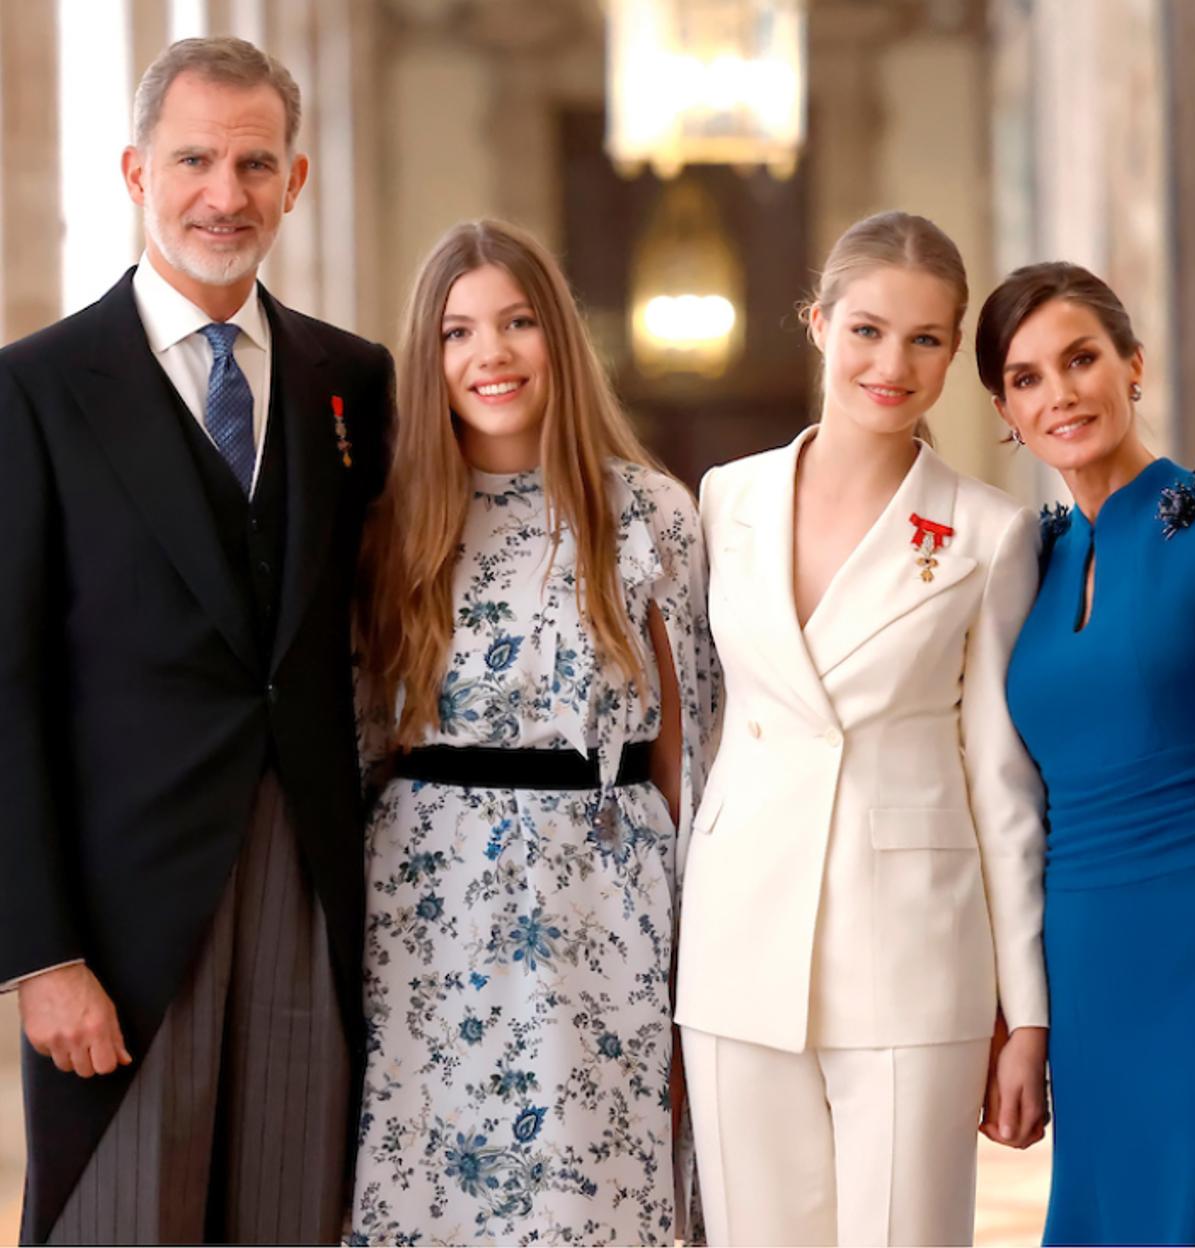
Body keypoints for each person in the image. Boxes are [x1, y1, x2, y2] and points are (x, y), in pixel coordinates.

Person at [0, 37, 392, 1246]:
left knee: (290, 1210)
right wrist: (38, 955)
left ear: (298, 181)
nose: (225, 193)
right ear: (133, 169)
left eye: (254, 162)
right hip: (118, 917)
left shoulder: (354, 382)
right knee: (118, 1223)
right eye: (194, 160)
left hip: (310, 878)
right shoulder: (35, 389)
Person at [674, 210, 1050, 1247]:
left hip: (911, 951)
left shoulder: (988, 531)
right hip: (737, 940)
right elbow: (700, 725)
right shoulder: (724, 502)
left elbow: (1002, 783)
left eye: (927, 339)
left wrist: (1028, 1016)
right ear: (819, 323)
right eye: (868, 331)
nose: (893, 364)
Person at [348, 219, 716, 1245]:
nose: (491, 354)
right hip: (425, 913)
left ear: (559, 337)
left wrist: (698, 960)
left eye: (517, 323)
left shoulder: (650, 515)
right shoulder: (387, 525)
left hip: (603, 901)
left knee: (587, 1204)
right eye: (458, 333)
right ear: (430, 360)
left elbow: (691, 752)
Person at [977, 261, 1195, 1245]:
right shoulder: (1034, 565)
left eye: (1082, 358)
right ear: (1005, 408)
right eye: (1029, 376)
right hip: (1087, 965)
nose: (1062, 393)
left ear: (1133, 364)